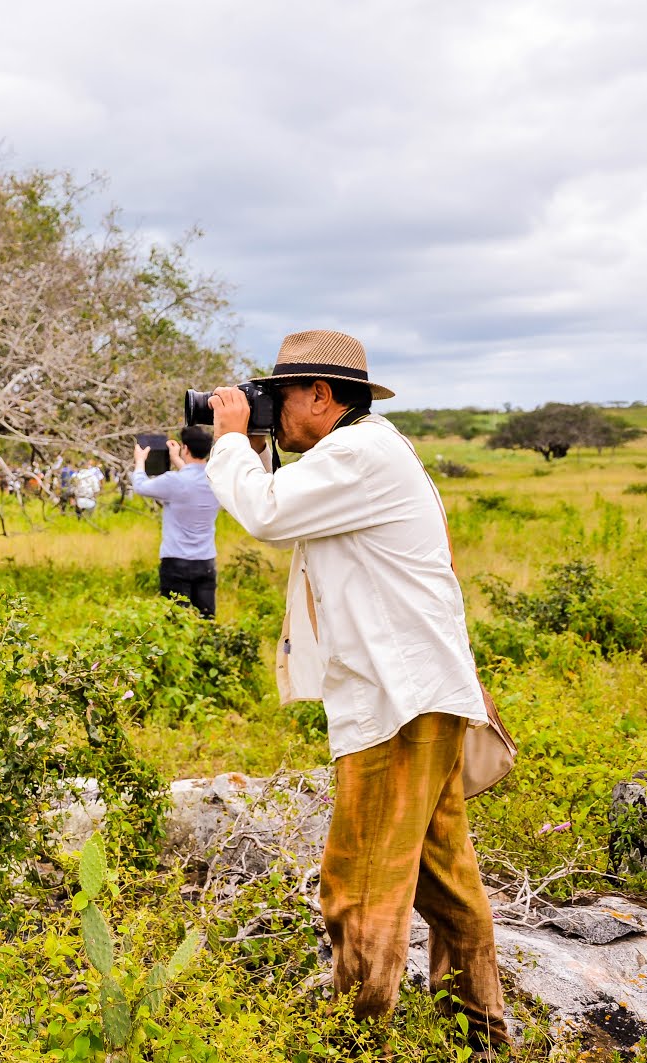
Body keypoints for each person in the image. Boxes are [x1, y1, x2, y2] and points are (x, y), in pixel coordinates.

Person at [203, 330, 508, 1054]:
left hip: (396, 706)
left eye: (279, 397)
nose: (270, 410)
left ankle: (355, 1036)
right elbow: (285, 503)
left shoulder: (357, 453)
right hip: (418, 696)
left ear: (321, 395)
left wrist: (227, 437)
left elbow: (267, 514)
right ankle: (481, 1033)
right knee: (445, 879)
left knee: (358, 882)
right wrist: (254, 444)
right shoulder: (374, 448)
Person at [131, 425, 221, 618]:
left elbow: (140, 485)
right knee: (206, 621)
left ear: (185, 448)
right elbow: (195, 477)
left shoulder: (174, 481)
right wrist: (178, 460)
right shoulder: (217, 481)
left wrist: (140, 461)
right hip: (205, 561)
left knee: (176, 621)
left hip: (176, 562)